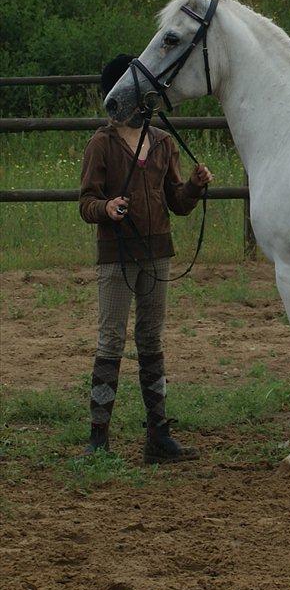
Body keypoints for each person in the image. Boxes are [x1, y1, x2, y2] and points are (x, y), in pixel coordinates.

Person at [78, 53, 213, 462]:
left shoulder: (163, 142)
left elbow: (177, 202)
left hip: (157, 254)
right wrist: (106, 208)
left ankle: (158, 436)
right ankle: (98, 439)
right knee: (111, 340)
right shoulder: (101, 144)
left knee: (151, 340)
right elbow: (86, 203)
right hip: (117, 256)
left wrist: (193, 187)